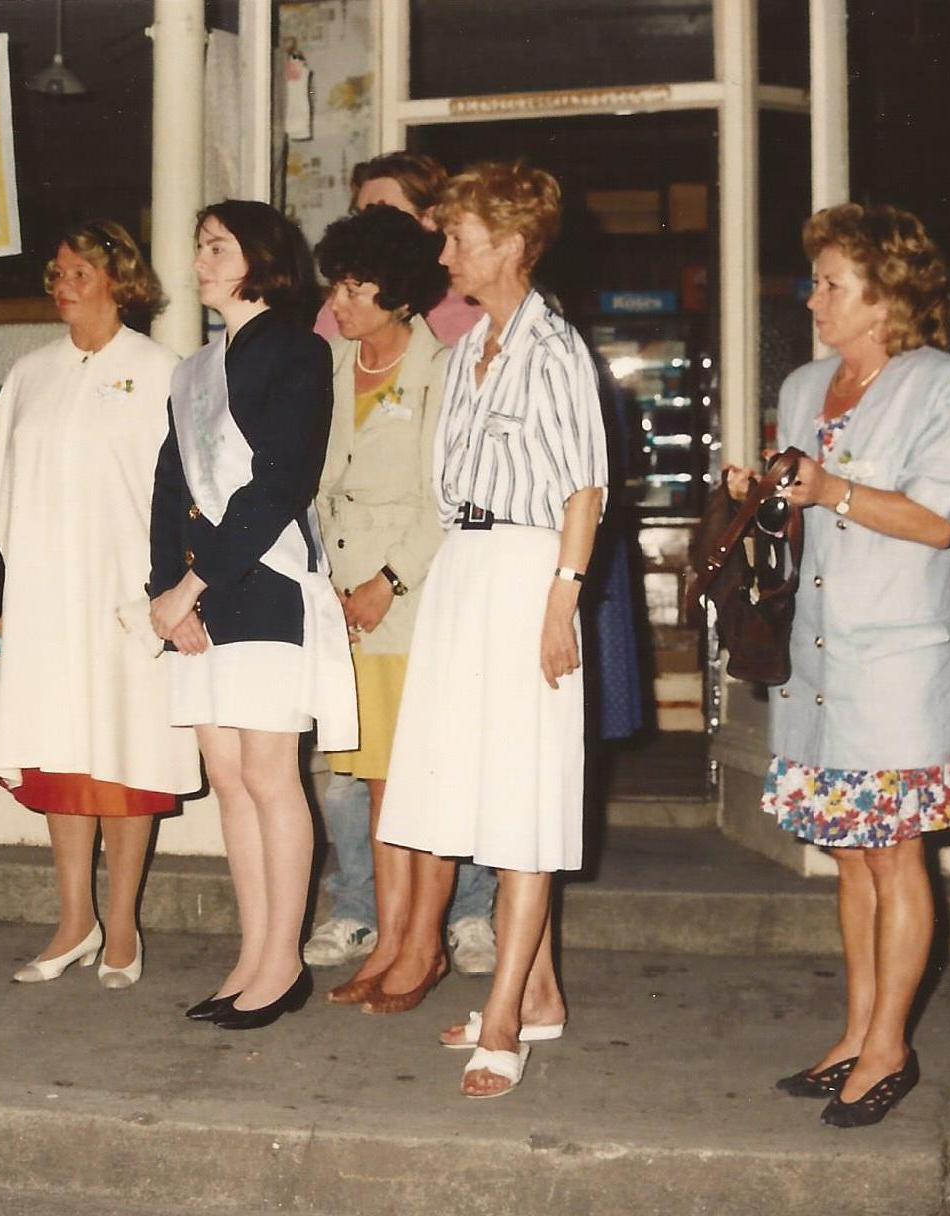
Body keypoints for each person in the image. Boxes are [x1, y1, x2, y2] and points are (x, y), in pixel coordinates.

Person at [731, 203, 950, 1128]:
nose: (813, 299)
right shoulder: (804, 387)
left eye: (832, 283)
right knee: (849, 858)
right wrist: (761, 497)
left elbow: (937, 521)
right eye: (815, 281)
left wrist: (831, 487)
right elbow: (803, 517)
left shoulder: (940, 383)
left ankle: (890, 1046)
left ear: (886, 297)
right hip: (819, 659)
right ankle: (856, 1033)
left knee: (895, 855)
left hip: (898, 663)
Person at [377, 162, 608, 1097]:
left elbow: (584, 489)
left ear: (511, 246)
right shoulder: (470, 343)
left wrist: (560, 605)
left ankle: (506, 1016)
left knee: (523, 803)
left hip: (526, 574)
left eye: (459, 238)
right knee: (480, 792)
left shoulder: (554, 349)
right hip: (465, 573)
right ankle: (539, 991)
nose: (444, 255)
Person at [149, 201, 355, 1030]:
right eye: (200, 247)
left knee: (271, 776)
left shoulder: (297, 352)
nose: (200, 261)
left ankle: (283, 962)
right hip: (198, 595)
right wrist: (166, 591)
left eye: (216, 247)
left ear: (261, 259)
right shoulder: (193, 369)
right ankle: (251, 953)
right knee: (228, 778)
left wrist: (192, 584)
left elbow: (279, 482)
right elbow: (169, 485)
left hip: (264, 583)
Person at [0, 220, 202, 988]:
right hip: (40, 594)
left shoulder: (162, 370)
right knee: (59, 754)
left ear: (119, 280)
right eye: (58, 272)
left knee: (124, 753)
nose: (64, 285)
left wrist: (174, 591)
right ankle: (74, 921)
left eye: (81, 272)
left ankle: (123, 925)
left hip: (124, 595)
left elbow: (185, 496)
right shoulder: (30, 374)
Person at [305, 161, 499, 983]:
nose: (338, 302)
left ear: (397, 293)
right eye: (336, 286)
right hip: (343, 609)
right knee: (370, 784)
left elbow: (445, 500)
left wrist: (387, 582)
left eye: (354, 288)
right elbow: (317, 489)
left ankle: (416, 948)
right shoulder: (331, 367)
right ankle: (391, 942)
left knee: (409, 788)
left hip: (406, 608)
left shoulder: (442, 372)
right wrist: (328, 584)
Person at [313, 152, 483, 348]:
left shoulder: (470, 309)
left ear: (430, 218)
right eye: (362, 214)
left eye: (383, 213)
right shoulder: (338, 310)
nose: (366, 226)